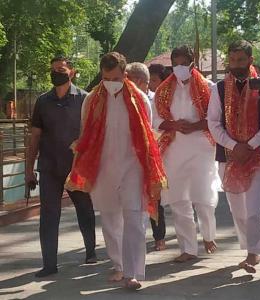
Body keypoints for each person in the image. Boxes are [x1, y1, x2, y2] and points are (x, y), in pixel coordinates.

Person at [65, 52, 166, 290]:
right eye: (106, 77)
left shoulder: (140, 99)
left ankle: (133, 273)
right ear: (102, 74)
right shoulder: (91, 100)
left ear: (125, 74)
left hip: (133, 166)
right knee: (110, 218)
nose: (111, 82)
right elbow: (85, 133)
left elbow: (149, 137)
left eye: (116, 77)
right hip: (104, 166)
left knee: (134, 217)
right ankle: (119, 265)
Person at [207, 40, 260, 273]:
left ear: (250, 60)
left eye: (241, 60)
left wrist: (249, 145)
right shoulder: (219, 88)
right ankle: (248, 246)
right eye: (232, 60)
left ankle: (253, 254)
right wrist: (233, 145)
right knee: (238, 208)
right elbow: (213, 122)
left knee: (255, 207)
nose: (236, 65)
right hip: (229, 157)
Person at [25, 56, 97, 278]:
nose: (57, 72)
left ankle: (91, 252)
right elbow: (35, 135)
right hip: (49, 167)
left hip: (76, 167)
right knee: (48, 215)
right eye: (54, 69)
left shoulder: (84, 99)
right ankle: (49, 263)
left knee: (84, 209)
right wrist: (29, 169)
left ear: (72, 72)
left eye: (61, 69)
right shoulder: (43, 101)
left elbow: (94, 134)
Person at [153, 45, 219, 263]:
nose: (179, 68)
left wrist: (197, 126)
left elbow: (216, 119)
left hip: (202, 148)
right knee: (179, 199)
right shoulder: (163, 90)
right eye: (175, 64)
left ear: (193, 63)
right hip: (174, 148)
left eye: (183, 63)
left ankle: (209, 236)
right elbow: (155, 121)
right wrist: (173, 125)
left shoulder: (209, 87)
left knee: (203, 198)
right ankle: (188, 248)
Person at [126, 62, 167, 251]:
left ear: (139, 80)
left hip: (153, 155)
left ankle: (159, 237)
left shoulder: (156, 99)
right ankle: (134, 241)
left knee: (154, 197)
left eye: (128, 78)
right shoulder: (124, 99)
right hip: (130, 157)